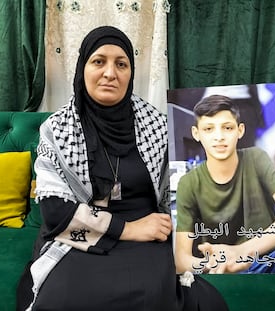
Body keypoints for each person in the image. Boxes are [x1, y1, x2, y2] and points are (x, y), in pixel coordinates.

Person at [16, 26, 229, 311]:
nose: (109, 73)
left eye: (121, 64)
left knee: (157, 295)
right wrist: (129, 229)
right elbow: (55, 212)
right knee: (63, 299)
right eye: (98, 61)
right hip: (80, 238)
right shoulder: (57, 129)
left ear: (130, 73)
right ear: (82, 68)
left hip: (152, 236)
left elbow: (187, 192)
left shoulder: (157, 124)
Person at [175, 95, 275, 275]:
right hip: (222, 270)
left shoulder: (256, 157)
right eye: (208, 129)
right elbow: (181, 260)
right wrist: (212, 265)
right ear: (196, 133)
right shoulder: (188, 182)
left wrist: (242, 251)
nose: (219, 137)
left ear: (240, 130)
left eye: (227, 128)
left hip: (264, 258)